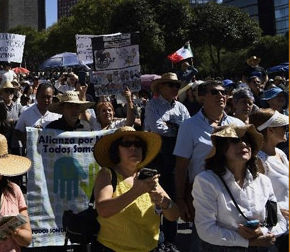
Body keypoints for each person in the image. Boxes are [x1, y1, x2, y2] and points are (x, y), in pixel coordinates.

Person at [173, 80, 243, 250]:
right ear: (201, 97)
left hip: (236, 194)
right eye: (214, 92)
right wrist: (181, 200)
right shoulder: (189, 126)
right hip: (204, 197)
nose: (221, 95)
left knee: (236, 242)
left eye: (223, 92)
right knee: (203, 243)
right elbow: (181, 167)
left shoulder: (238, 125)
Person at [192, 124, 285, 249]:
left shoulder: (263, 181)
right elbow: (206, 230)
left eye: (247, 141)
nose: (243, 144)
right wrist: (248, 242)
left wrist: (261, 232)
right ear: (221, 149)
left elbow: (281, 222)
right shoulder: (206, 181)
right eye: (235, 140)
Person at [92, 127, 179, 252]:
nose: (133, 148)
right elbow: (103, 209)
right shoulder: (107, 174)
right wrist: (136, 191)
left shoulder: (148, 178)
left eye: (138, 144)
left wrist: (164, 202)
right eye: (126, 144)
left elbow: (174, 215)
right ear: (116, 150)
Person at [144, 73, 191, 250]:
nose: (174, 89)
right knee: (154, 194)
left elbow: (185, 129)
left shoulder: (181, 107)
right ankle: (153, 236)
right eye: (170, 85)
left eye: (176, 85)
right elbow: (158, 128)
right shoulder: (152, 105)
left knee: (171, 195)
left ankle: (170, 239)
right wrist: (177, 129)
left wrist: (173, 127)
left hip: (175, 153)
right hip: (157, 153)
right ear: (161, 87)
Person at [250, 109, 289, 251]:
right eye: (283, 126)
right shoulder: (258, 161)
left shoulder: (280, 153)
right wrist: (278, 210)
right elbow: (255, 198)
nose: (287, 129)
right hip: (275, 231)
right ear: (270, 130)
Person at [14, 83, 61, 149]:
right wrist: (31, 136)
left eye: (48, 97)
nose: (45, 100)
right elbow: (17, 131)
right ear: (36, 96)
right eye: (42, 97)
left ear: (52, 98)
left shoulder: (58, 115)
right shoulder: (26, 112)